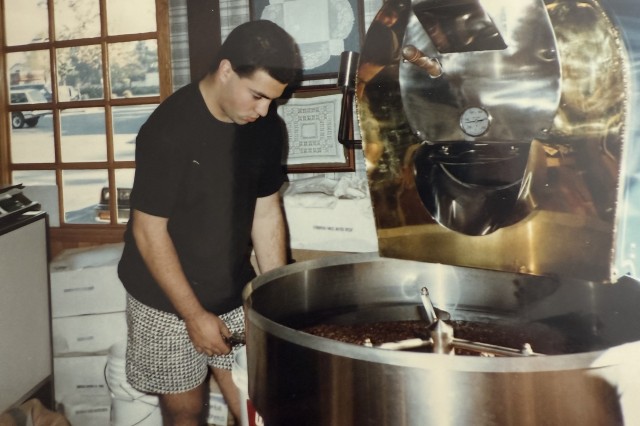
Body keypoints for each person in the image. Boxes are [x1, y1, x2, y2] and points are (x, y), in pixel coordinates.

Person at [117, 20, 300, 425]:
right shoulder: (168, 129)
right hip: (162, 297)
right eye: (257, 96)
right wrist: (193, 316)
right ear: (226, 70)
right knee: (186, 415)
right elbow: (149, 232)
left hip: (233, 288)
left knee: (260, 409)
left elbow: (266, 212)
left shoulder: (266, 127)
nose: (265, 110)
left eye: (273, 100)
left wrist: (280, 304)